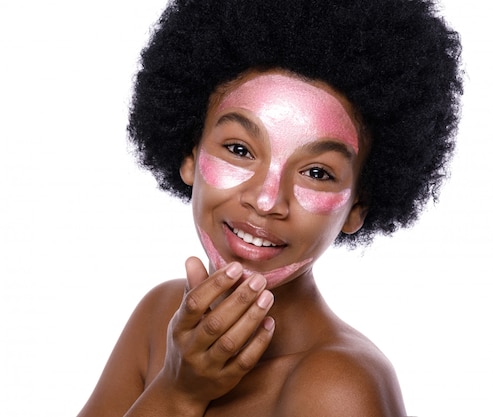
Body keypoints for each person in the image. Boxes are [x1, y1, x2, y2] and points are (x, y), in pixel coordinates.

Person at [77, 0, 462, 415]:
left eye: (316, 173)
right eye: (240, 149)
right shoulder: (160, 318)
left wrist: (183, 394)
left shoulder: (339, 388)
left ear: (357, 206)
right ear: (190, 153)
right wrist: (176, 388)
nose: (266, 201)